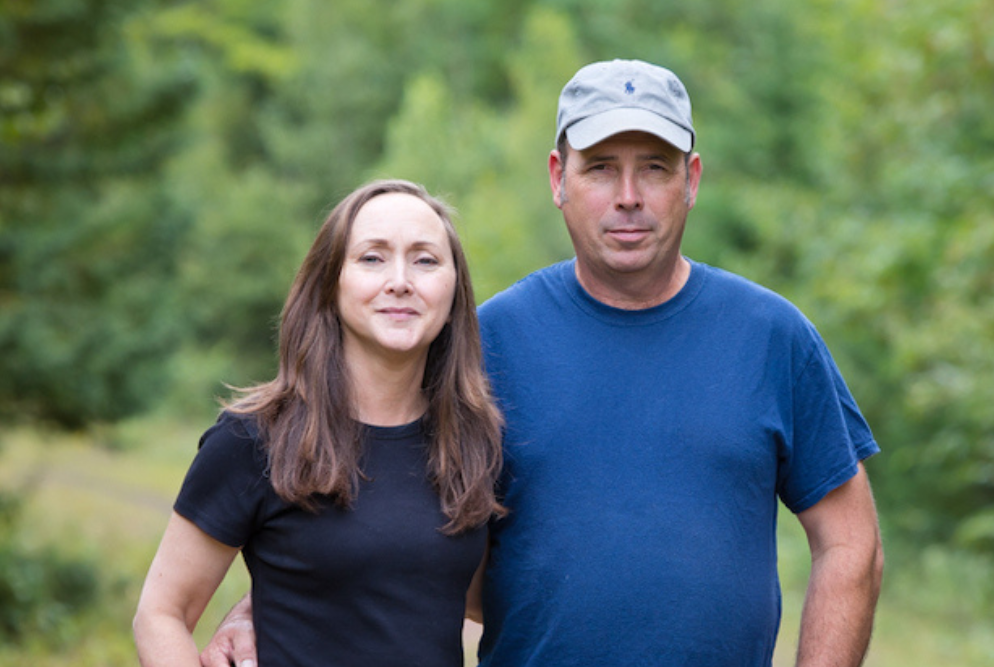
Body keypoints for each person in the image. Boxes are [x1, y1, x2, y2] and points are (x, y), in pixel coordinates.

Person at [202, 59, 884, 667]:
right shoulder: (480, 344)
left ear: (691, 180)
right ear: (558, 178)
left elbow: (850, 543)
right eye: (599, 168)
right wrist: (272, 605)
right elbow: (380, 515)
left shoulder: (771, 336)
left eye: (653, 166)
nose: (627, 195)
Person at [133, 179, 505, 667]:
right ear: (331, 283)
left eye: (425, 259)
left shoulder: (474, 443)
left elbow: (465, 593)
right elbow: (161, 614)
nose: (400, 280)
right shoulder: (256, 438)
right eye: (372, 258)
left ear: (455, 290)